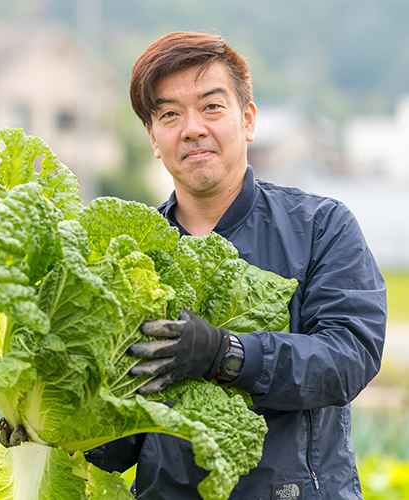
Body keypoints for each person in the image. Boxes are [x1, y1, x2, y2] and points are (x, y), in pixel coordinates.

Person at [81, 31, 387, 499]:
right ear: (154, 139)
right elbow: (123, 434)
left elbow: (349, 358)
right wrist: (49, 417)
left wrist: (227, 354)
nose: (192, 128)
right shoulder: (131, 256)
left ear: (247, 120)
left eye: (211, 107)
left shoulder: (321, 226)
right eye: (168, 115)